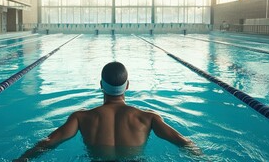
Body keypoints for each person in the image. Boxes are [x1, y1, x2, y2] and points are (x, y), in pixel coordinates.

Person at [13, 62, 201, 161]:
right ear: (127, 86)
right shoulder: (148, 118)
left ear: (101, 85)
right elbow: (184, 143)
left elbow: (48, 143)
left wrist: (22, 158)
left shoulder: (81, 117)